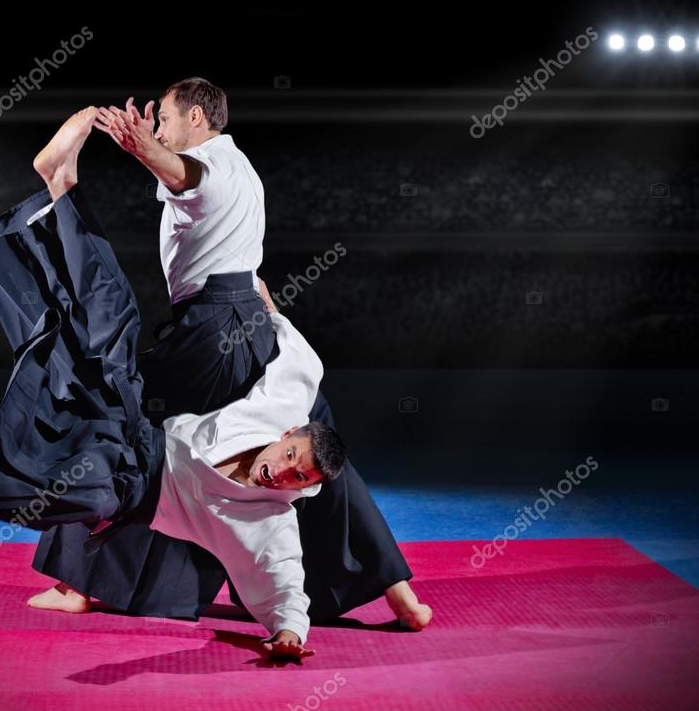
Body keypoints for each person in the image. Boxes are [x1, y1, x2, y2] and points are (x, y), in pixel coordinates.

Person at [0, 106, 344, 661]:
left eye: (294, 476)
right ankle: (61, 186)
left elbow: (284, 587)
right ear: (288, 433)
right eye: (289, 455)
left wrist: (288, 635)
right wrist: (270, 311)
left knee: (83, 493)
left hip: (138, 493)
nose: (280, 472)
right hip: (144, 436)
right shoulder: (281, 404)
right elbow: (302, 363)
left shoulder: (268, 519)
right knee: (110, 324)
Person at [27, 78, 432, 630]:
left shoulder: (210, 167)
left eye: (165, 119)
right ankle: (397, 591)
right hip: (246, 317)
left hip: (212, 330)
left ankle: (83, 585)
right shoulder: (241, 166)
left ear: (196, 117)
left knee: (127, 432)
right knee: (312, 441)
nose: (160, 128)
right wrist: (266, 309)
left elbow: (188, 177)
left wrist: (144, 149)